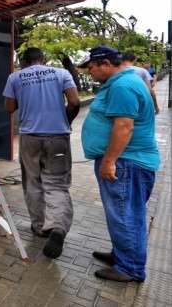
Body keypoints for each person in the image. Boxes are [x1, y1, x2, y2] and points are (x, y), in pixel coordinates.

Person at [79, 45, 160, 283]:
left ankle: (131, 267)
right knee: (122, 214)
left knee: (125, 215)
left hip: (126, 164)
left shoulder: (123, 86)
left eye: (92, 67)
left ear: (106, 64)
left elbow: (124, 126)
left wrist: (110, 161)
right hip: (128, 163)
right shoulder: (124, 82)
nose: (89, 72)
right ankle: (122, 254)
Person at [3, 48, 80, 259]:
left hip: (30, 137)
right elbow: (74, 102)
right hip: (58, 137)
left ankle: (39, 226)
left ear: (24, 62)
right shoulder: (62, 74)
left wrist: (23, 95)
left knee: (32, 182)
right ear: (44, 60)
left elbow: (9, 107)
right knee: (57, 184)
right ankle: (57, 227)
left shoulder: (15, 77)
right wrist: (66, 121)